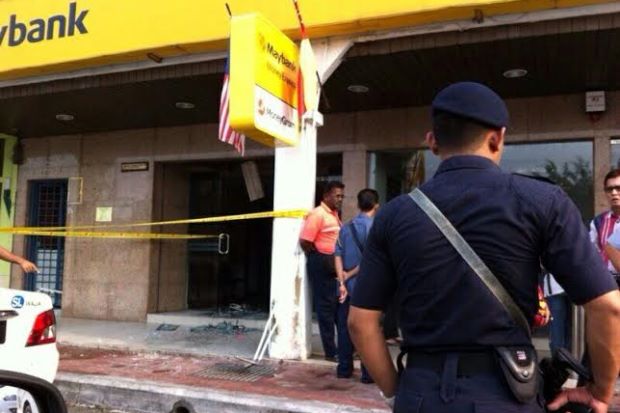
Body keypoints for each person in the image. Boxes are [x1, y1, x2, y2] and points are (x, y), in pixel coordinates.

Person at [348, 81, 620, 413]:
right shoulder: (543, 201)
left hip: (421, 394)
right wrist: (599, 391)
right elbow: (608, 306)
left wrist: (396, 393)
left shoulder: (393, 215)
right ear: (497, 138)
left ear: (432, 142)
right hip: (508, 395)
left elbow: (360, 322)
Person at [334, 188, 379, 382]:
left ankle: (344, 369)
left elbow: (337, 255)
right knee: (368, 330)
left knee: (345, 328)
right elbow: (371, 260)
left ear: (359, 205)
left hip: (346, 289)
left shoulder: (345, 227)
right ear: (376, 205)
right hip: (367, 287)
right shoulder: (376, 229)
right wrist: (351, 274)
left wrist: (342, 280)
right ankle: (368, 374)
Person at [299, 181, 344, 361]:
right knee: (326, 309)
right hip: (321, 263)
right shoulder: (318, 214)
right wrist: (319, 256)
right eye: (337, 196)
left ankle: (343, 349)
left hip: (332, 263)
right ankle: (331, 353)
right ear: (326, 196)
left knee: (337, 307)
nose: (340, 199)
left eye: (342, 196)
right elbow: (305, 241)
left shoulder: (334, 214)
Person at [590, 169, 620, 282]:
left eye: (618, 188)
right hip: (607, 282)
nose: (614, 193)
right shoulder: (598, 222)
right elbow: (591, 254)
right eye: (609, 189)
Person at [542, 271, 572, 353]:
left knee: (570, 328)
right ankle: (558, 357)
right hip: (555, 287)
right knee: (557, 327)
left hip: (572, 284)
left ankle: (567, 357)